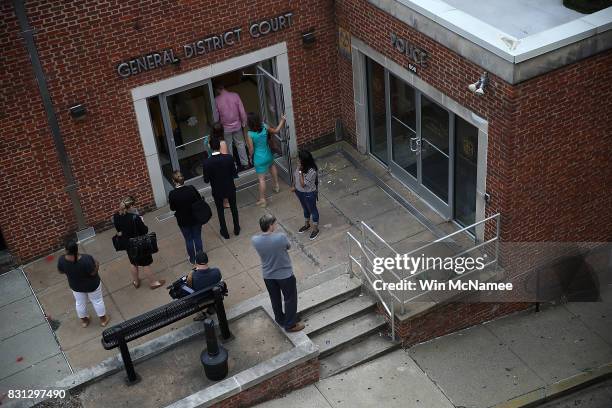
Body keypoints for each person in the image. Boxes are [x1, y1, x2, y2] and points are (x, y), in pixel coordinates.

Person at [252, 214, 304, 332]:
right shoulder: (280, 237)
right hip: (285, 275)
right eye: (274, 223)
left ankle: (280, 319)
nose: (276, 225)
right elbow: (288, 246)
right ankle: (290, 324)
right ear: (270, 226)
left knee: (275, 298)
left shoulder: (255, 240)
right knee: (290, 298)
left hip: (268, 276)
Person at [112, 196, 165, 289]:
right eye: (134, 205)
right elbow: (144, 230)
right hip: (139, 244)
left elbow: (119, 231)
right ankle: (153, 283)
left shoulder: (116, 216)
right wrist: (141, 221)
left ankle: (136, 282)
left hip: (128, 244)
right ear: (131, 206)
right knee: (145, 264)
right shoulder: (135, 218)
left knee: (133, 263)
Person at [57, 239, 110, 328]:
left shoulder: (62, 260)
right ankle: (103, 320)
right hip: (92, 285)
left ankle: (85, 321)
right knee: (97, 301)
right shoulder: (86, 259)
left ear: (66, 250)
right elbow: (93, 273)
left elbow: (60, 271)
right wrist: (97, 264)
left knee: (80, 303)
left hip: (76, 286)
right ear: (77, 249)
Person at [202, 137, 241, 239]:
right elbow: (234, 173)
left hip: (217, 190)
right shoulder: (228, 158)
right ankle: (236, 228)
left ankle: (225, 232)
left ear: (210, 147)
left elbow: (206, 180)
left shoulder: (207, 163)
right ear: (219, 146)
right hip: (230, 187)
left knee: (220, 211)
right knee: (234, 208)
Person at [246, 112, 285, 207]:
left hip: (259, 159)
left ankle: (263, 199)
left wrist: (250, 157)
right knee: (272, 166)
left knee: (261, 180)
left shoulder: (250, 134)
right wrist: (283, 120)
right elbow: (276, 130)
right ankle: (276, 185)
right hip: (268, 154)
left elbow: (251, 149)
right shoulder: (264, 126)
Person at [168, 171, 204, 264]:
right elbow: (199, 199)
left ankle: (192, 259)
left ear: (173, 181)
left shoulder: (172, 194)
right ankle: (201, 258)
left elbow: (172, 208)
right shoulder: (191, 189)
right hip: (195, 217)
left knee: (188, 239)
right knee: (197, 237)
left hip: (183, 220)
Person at [213, 81, 249, 170]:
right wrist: (244, 122)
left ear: (217, 90)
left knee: (228, 147)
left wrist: (216, 124)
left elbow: (216, 116)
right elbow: (242, 110)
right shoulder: (235, 95)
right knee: (240, 144)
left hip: (225, 127)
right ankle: (245, 163)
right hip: (237, 124)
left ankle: (232, 165)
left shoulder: (216, 100)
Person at [291, 150, 320, 240]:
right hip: (299, 192)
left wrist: (300, 172)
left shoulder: (312, 171)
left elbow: (303, 184)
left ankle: (315, 229)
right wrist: (294, 186)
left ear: (304, 160)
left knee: (312, 210)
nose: (297, 160)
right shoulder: (301, 166)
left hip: (309, 193)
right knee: (305, 208)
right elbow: (295, 176)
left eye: (299, 158)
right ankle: (307, 224)